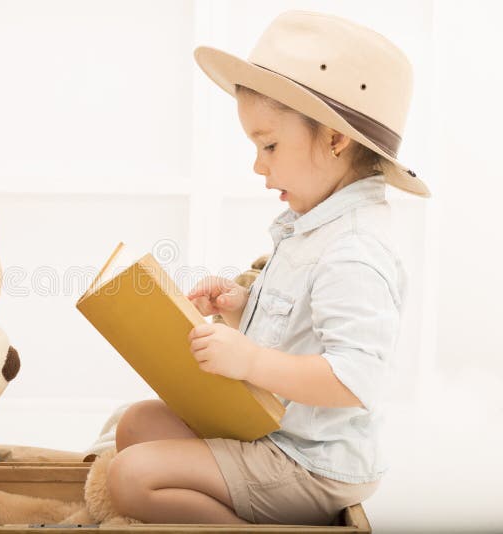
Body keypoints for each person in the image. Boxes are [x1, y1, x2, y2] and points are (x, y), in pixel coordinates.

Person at [105, 10, 430, 526]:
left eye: (270, 145)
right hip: (277, 435)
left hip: (310, 463)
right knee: (135, 426)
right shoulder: (313, 226)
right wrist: (241, 309)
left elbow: (353, 379)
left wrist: (250, 363)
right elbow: (299, 330)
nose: (258, 164)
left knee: (129, 477)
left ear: (334, 140)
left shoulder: (354, 250)